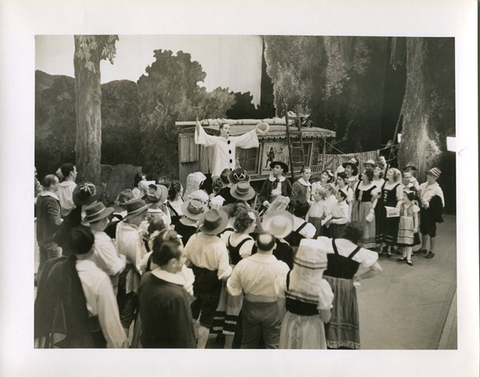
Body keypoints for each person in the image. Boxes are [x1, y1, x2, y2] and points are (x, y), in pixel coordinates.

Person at [34, 226, 129, 348]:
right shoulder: (98, 278)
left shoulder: (56, 268)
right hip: (88, 335)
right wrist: (120, 345)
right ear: (93, 248)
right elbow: (110, 321)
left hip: (60, 336)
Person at [318, 222, 382, 349]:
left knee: (324, 309)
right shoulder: (360, 252)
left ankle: (324, 337)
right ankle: (342, 340)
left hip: (325, 282)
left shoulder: (329, 243)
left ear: (345, 230)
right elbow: (377, 269)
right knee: (343, 310)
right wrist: (359, 277)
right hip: (346, 286)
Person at [227, 233, 289, 349]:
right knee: (273, 345)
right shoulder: (282, 267)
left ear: (255, 244)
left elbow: (233, 289)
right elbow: (287, 289)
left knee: (247, 344)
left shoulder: (243, 264)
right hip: (274, 307)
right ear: (274, 246)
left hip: (250, 306)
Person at [185, 208, 232, 348]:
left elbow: (185, 258)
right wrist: (231, 269)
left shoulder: (193, 238)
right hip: (212, 281)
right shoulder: (219, 245)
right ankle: (200, 348)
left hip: (194, 275)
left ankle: (189, 342)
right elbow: (223, 273)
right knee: (206, 318)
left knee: (193, 311)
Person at [138, 239, 196, 348]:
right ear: (173, 262)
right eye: (183, 256)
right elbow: (184, 335)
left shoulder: (146, 278)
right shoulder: (176, 295)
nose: (185, 258)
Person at [276, 239, 334, 349]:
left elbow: (280, 306)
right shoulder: (321, 286)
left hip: (290, 321)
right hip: (311, 326)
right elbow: (326, 317)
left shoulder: (286, 278)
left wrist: (285, 322)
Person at [115, 199, 150, 336]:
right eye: (142, 216)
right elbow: (138, 264)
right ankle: (123, 344)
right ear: (134, 217)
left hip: (123, 272)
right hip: (131, 276)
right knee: (127, 313)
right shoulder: (132, 237)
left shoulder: (120, 226)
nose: (144, 219)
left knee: (123, 309)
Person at [83, 201, 126, 293]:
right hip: (106, 284)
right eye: (107, 217)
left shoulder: (89, 234)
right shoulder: (101, 242)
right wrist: (123, 258)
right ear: (102, 221)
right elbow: (116, 269)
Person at [195, 119, 262, 177]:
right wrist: (199, 127)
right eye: (226, 128)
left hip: (231, 173)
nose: (228, 130)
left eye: (229, 129)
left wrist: (254, 132)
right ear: (221, 130)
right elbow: (205, 137)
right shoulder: (216, 140)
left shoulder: (233, 140)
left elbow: (244, 138)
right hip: (219, 173)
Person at [36, 174, 63, 279]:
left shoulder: (40, 197)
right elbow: (55, 222)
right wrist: (64, 222)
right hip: (52, 239)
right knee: (54, 267)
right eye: (57, 183)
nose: (58, 185)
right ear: (52, 185)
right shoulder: (51, 200)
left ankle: (40, 287)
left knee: (43, 265)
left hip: (41, 237)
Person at [418, 167, 445, 259]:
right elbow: (418, 192)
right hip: (423, 210)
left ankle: (432, 250)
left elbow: (441, 203)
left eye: (431, 175)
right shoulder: (423, 185)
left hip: (430, 212)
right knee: (423, 228)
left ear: (435, 177)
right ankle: (423, 247)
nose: (428, 176)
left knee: (431, 230)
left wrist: (429, 204)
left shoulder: (437, 189)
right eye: (428, 174)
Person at [377, 168, 403, 256]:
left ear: (394, 175)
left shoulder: (398, 186)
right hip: (382, 208)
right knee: (382, 226)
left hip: (391, 209)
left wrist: (396, 208)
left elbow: (400, 199)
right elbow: (380, 195)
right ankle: (381, 247)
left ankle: (388, 248)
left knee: (389, 227)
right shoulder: (385, 183)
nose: (388, 172)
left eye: (390, 172)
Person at [351, 170, 378, 248]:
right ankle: (356, 242)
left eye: (364, 173)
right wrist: (353, 205)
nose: (362, 174)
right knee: (356, 223)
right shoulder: (358, 183)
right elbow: (354, 195)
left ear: (368, 176)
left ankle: (365, 244)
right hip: (357, 205)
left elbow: (375, 199)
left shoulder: (373, 186)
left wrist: (372, 209)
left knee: (365, 224)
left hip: (366, 206)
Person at [396, 190, 420, 266]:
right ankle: (404, 255)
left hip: (409, 226)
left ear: (409, 197)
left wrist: (415, 227)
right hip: (402, 224)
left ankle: (409, 258)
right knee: (403, 241)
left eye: (405, 196)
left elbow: (416, 218)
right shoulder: (401, 205)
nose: (403, 197)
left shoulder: (414, 207)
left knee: (409, 242)